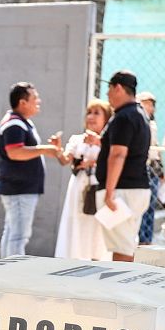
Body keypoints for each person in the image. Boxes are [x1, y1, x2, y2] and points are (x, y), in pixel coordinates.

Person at [0, 82, 65, 257]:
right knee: (18, 237)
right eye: (35, 98)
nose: (38, 101)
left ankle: (3, 273)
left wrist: (48, 149)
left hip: (19, 189)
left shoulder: (21, 123)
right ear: (23, 102)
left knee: (12, 233)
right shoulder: (14, 125)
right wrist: (45, 150)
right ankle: (12, 276)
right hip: (19, 189)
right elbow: (14, 152)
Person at [95, 71, 152, 262]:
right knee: (126, 244)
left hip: (122, 191)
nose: (107, 95)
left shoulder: (124, 116)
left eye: (109, 89)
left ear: (117, 87)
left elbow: (118, 154)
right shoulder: (139, 113)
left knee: (122, 249)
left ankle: (121, 290)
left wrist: (109, 193)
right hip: (135, 189)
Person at [54, 99, 111, 261]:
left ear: (106, 118)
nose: (91, 117)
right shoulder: (76, 139)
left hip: (98, 186)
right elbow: (65, 160)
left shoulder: (108, 142)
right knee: (78, 222)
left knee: (97, 225)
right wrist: (58, 149)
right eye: (89, 113)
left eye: (96, 113)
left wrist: (94, 157)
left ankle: (97, 259)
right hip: (78, 187)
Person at [136, 91, 161, 246]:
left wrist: (161, 170)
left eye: (151, 104)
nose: (149, 106)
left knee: (151, 206)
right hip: (141, 167)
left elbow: (156, 148)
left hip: (152, 167)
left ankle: (147, 239)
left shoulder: (153, 124)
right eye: (146, 102)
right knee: (141, 207)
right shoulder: (139, 123)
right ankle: (140, 239)